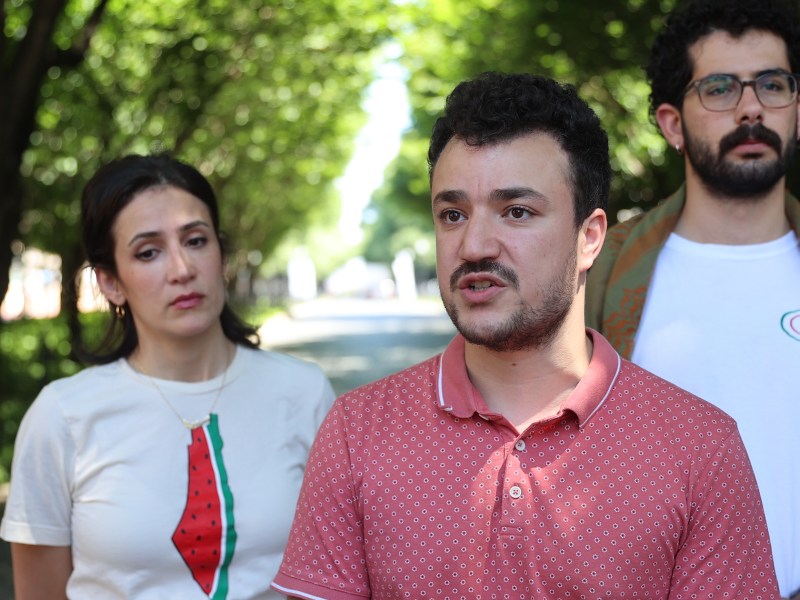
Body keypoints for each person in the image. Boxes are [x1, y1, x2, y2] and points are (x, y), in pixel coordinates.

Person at [271, 71, 779, 600]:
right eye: (452, 214)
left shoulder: (700, 448)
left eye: (517, 212)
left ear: (589, 238)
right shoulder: (356, 433)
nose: (474, 245)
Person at [0, 154, 335, 599]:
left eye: (196, 241)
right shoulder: (61, 417)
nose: (182, 269)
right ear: (111, 282)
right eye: (148, 252)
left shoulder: (303, 393)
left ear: (221, 255)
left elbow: (339, 575)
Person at [584, 1, 800, 596]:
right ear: (673, 124)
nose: (751, 108)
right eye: (720, 88)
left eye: (773, 85)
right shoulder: (598, 273)